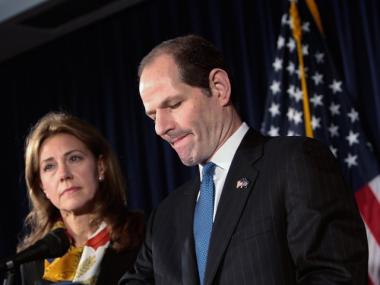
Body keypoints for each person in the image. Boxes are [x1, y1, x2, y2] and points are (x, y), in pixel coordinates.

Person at [119, 34, 368, 285]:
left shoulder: (295, 162)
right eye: (152, 116)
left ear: (219, 87)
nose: (160, 128)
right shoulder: (164, 215)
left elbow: (334, 276)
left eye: (173, 104)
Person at [18, 112, 144, 285]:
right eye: (49, 166)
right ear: (41, 186)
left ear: (100, 167)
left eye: (74, 158)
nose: (64, 174)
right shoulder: (32, 261)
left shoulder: (143, 235)